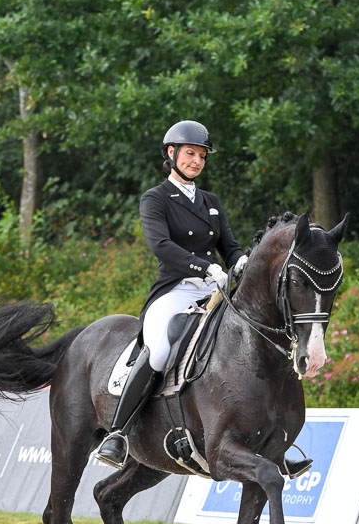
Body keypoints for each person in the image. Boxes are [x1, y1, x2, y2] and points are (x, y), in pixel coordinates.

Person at [96, 120, 310, 478]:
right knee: (161, 349)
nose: (196, 161)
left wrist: (240, 260)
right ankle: (118, 434)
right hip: (174, 291)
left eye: (201, 156)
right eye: (190, 154)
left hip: (214, 289)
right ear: (172, 154)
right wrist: (202, 266)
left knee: (251, 343)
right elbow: (161, 246)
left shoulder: (210, 201)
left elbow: (228, 244)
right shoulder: (156, 198)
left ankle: (275, 445)